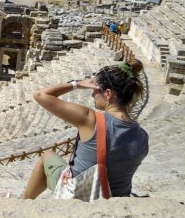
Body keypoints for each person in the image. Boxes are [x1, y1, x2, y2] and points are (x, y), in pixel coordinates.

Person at [19, 60, 148, 199]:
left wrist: (78, 84)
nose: (92, 94)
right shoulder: (142, 135)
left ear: (108, 94)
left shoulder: (90, 120)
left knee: (47, 156)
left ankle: (23, 202)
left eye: (95, 90)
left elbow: (40, 95)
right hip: (116, 197)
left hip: (81, 194)